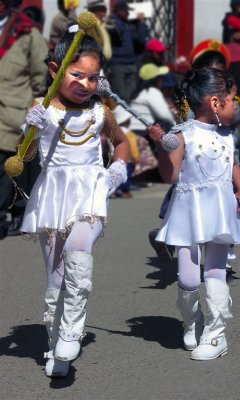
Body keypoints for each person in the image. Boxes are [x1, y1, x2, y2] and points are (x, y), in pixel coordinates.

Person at [18, 23, 129, 377]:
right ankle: (56, 350)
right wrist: (29, 129)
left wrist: (119, 168)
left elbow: (122, 142)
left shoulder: (101, 112)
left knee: (79, 251)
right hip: (53, 197)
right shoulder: (42, 108)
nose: (85, 84)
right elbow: (27, 156)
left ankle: (70, 331)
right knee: (56, 277)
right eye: (77, 74)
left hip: (91, 194)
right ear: (55, 70)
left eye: (93, 77)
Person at [147, 67, 240, 361]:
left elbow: (233, 165)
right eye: (231, 100)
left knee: (216, 270)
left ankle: (217, 333)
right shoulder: (183, 134)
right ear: (214, 104)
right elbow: (170, 174)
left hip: (220, 210)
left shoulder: (227, 135)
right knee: (190, 278)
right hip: (189, 212)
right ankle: (192, 320)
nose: (235, 105)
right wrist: (162, 148)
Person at [0, 0, 48, 239]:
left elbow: (40, 73)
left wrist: (29, 100)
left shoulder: (26, 31)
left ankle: (19, 213)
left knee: (15, 165)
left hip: (15, 110)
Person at [105, 0, 149, 102]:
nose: (128, 14)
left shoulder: (128, 25)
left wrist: (141, 23)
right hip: (118, 64)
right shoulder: (112, 22)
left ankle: (128, 116)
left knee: (131, 95)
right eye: (126, 11)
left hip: (131, 64)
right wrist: (117, 20)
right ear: (119, 11)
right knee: (119, 96)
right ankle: (119, 117)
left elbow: (141, 39)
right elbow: (115, 32)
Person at [112, 105, 139, 198]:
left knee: (114, 175)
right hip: (127, 159)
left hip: (113, 157)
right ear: (127, 121)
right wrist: (136, 157)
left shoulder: (113, 132)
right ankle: (125, 191)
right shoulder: (129, 134)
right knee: (126, 175)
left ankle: (113, 191)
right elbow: (133, 147)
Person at [86, 0, 112, 64]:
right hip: (96, 61)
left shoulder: (101, 24)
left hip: (103, 61)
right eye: (103, 9)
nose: (105, 11)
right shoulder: (91, 24)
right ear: (95, 10)